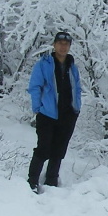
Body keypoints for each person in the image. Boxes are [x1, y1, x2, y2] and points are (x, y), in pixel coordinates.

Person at [26, 31, 82, 193]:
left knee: (59, 149)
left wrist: (76, 107)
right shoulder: (43, 64)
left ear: (69, 46)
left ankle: (52, 181)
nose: (63, 47)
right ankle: (32, 181)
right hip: (47, 114)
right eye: (60, 43)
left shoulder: (73, 67)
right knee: (43, 148)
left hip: (68, 114)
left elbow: (77, 88)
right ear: (54, 45)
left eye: (66, 44)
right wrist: (38, 107)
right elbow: (35, 87)